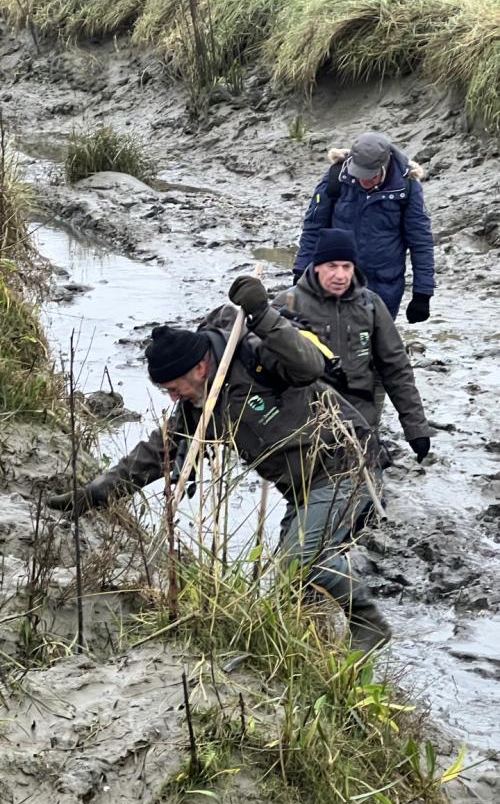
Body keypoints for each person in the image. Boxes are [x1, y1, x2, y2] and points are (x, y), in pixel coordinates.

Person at [47, 276, 391, 654]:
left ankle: (367, 623)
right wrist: (95, 495)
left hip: (344, 466)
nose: (172, 396)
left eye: (172, 387)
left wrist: (262, 314)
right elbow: (154, 453)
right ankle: (310, 654)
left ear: (198, 367)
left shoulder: (255, 354)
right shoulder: (201, 404)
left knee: (299, 561)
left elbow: (307, 365)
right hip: (300, 489)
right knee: (290, 584)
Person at [275, 229, 432, 463]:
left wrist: (416, 428)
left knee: (366, 494)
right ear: (317, 266)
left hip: (360, 419)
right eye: (332, 266)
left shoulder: (371, 304)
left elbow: (396, 368)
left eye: (346, 267)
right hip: (308, 422)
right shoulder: (288, 304)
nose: (340, 275)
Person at [293, 131, 435, 321]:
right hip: (336, 280)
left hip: (384, 286)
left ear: (384, 167)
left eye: (370, 177)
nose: (363, 181)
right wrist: (301, 271)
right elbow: (313, 228)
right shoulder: (336, 177)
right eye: (359, 175)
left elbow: (421, 242)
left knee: (375, 345)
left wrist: (422, 293)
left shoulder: (407, 189)